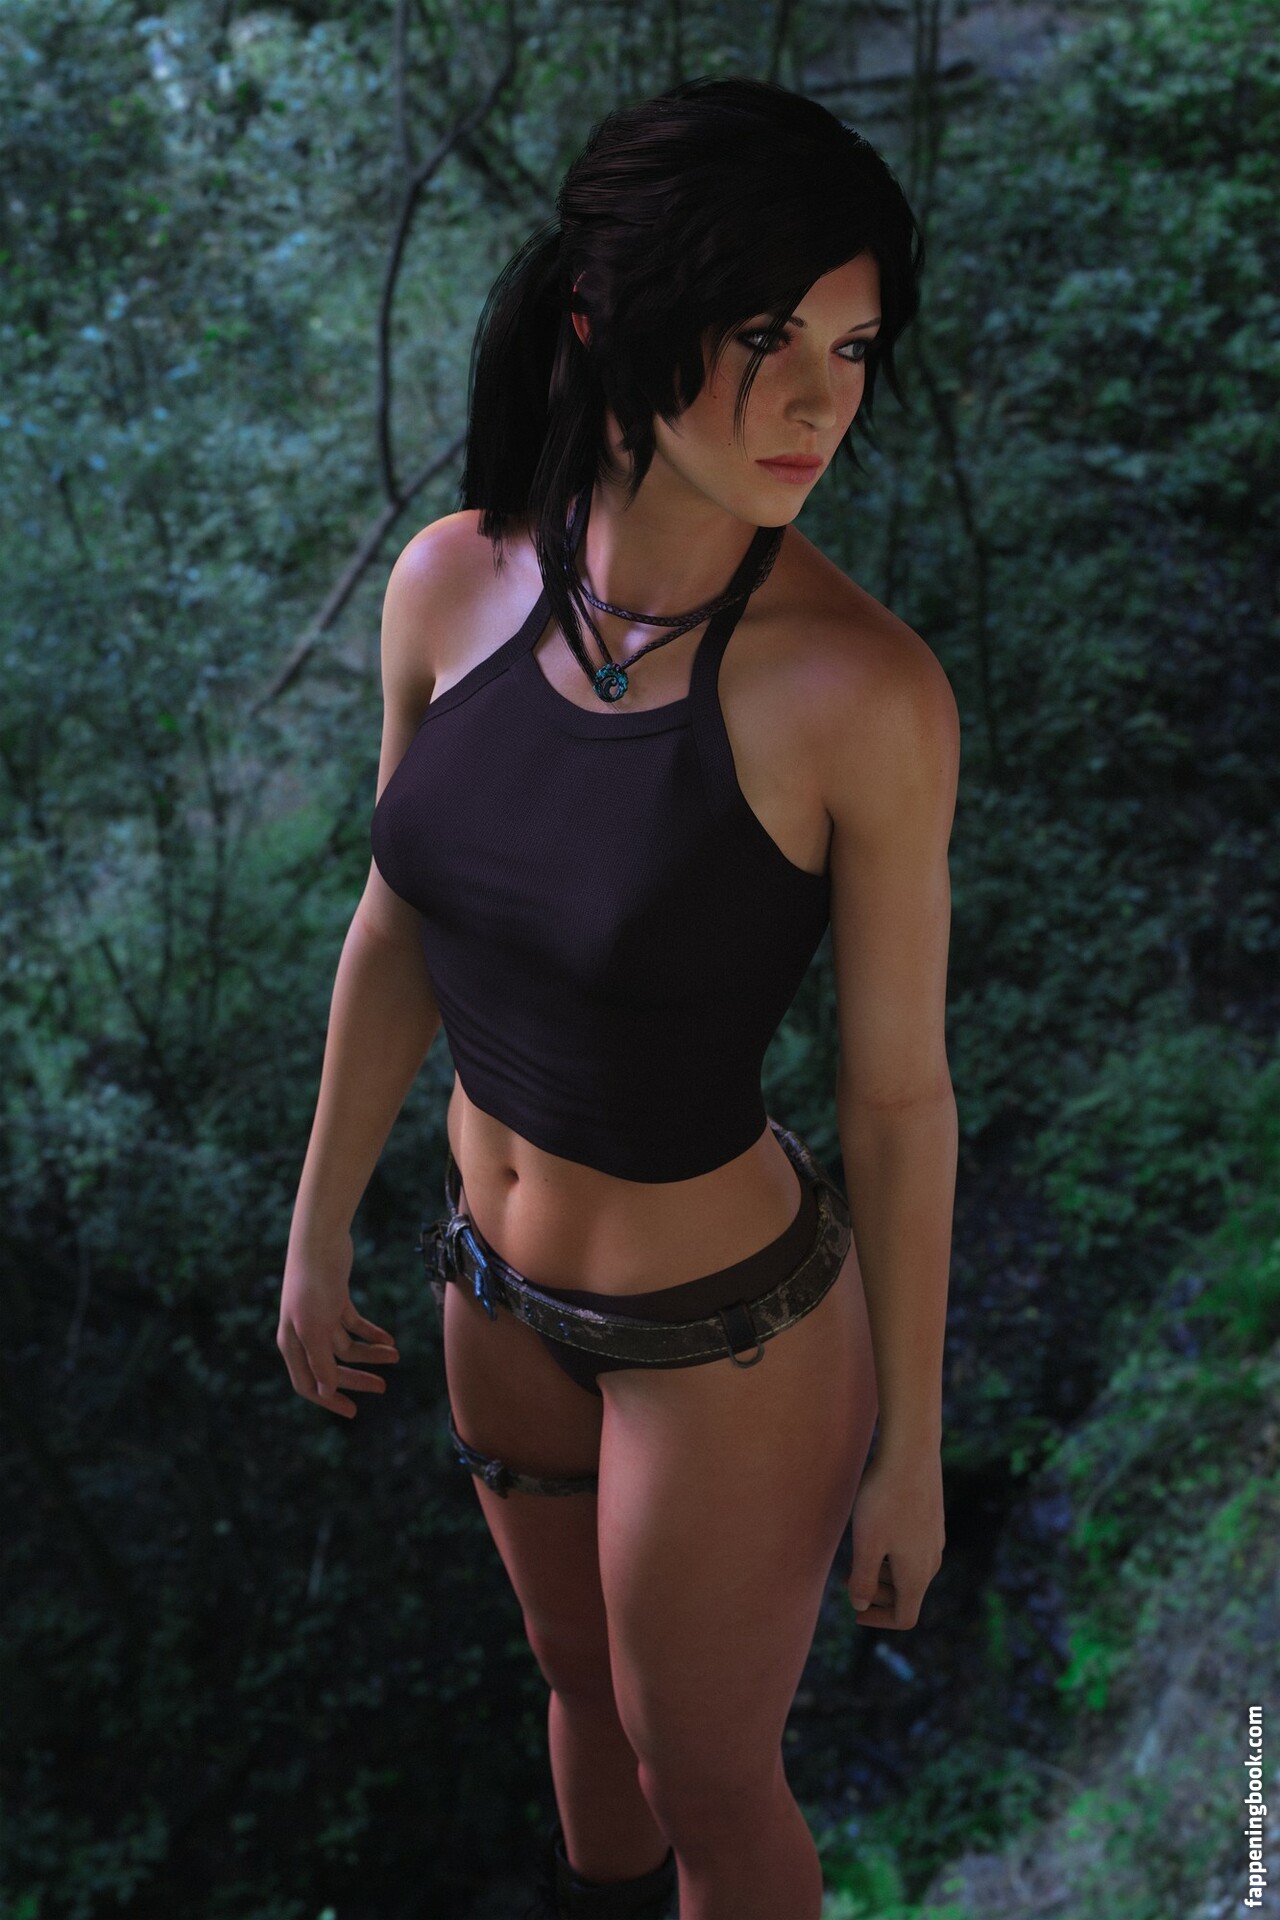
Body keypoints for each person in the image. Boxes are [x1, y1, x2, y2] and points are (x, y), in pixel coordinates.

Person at [277, 74, 958, 1920]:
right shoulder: (449, 582)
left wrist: (912, 1446)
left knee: (711, 1783)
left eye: (851, 348)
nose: (821, 400)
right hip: (486, 1289)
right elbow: (399, 923)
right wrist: (319, 1225)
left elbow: (899, 1100)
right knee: (576, 1696)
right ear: (608, 324)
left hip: (727, 1341)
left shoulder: (862, 696)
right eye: (765, 340)